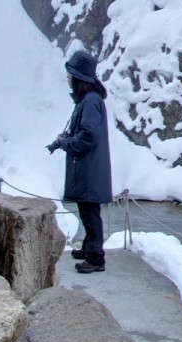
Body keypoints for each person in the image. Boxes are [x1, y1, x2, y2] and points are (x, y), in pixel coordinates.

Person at [48, 50, 112, 274]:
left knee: (90, 213)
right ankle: (88, 249)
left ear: (79, 78)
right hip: (89, 169)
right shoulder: (89, 100)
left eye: (70, 74)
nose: (68, 78)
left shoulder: (90, 102)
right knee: (87, 211)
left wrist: (66, 143)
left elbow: (88, 136)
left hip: (89, 170)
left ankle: (96, 259)